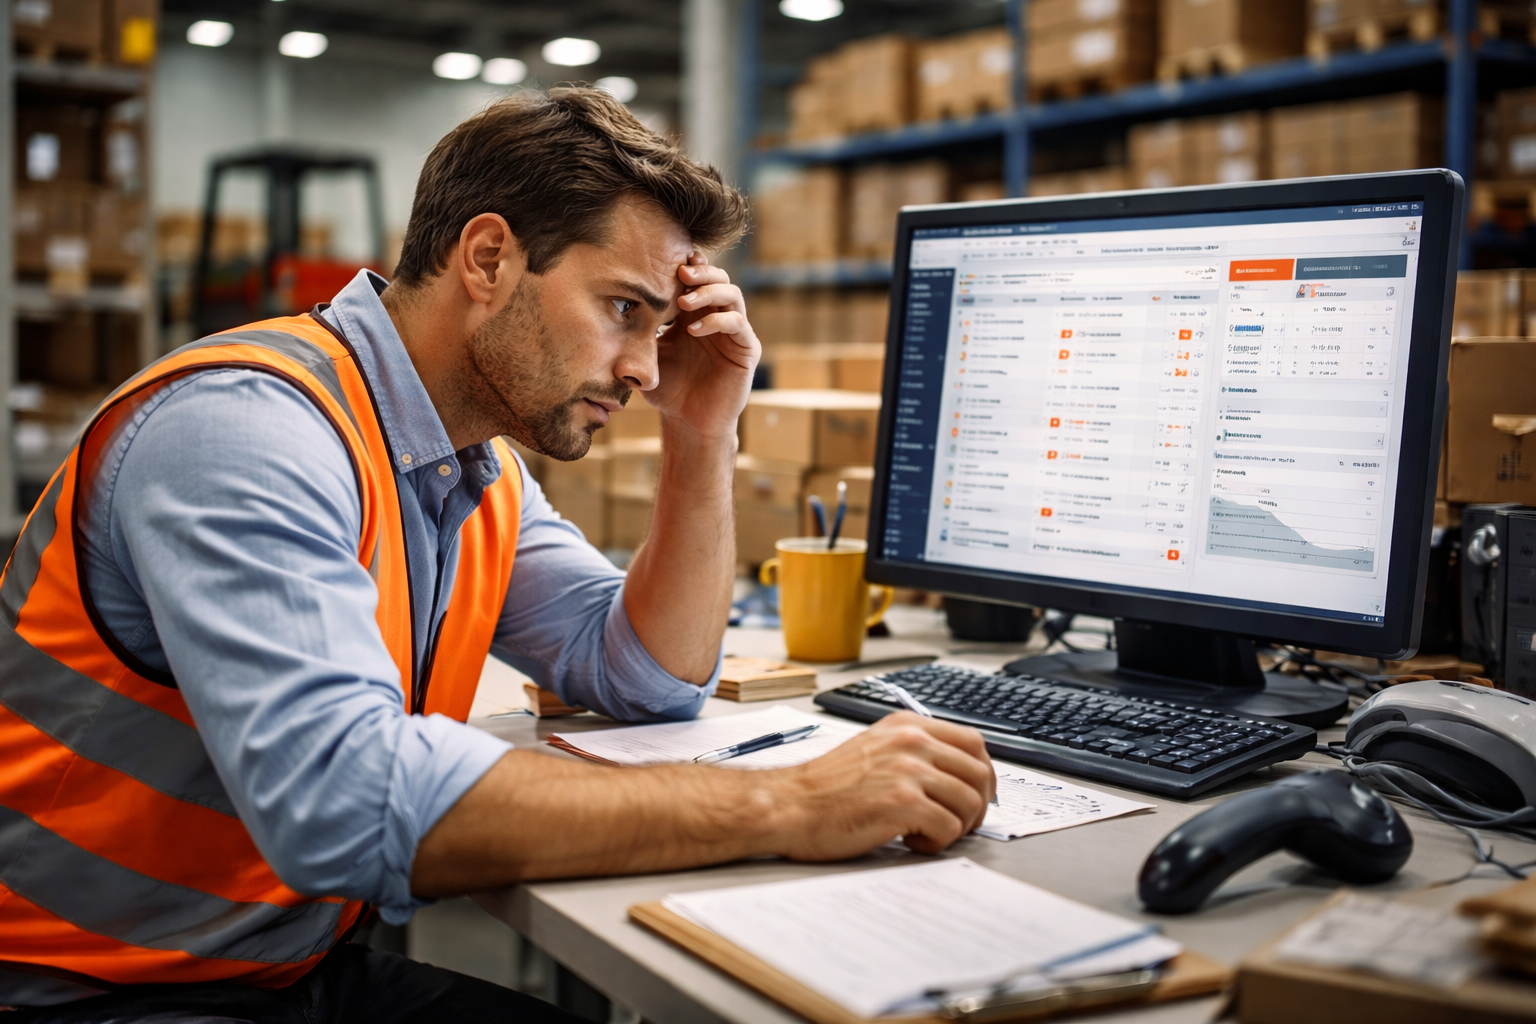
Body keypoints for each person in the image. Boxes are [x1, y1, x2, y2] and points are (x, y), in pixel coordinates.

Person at [0, 88, 995, 1021]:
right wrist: (786, 800)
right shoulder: (248, 428)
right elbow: (341, 800)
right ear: (487, 259)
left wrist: (702, 437)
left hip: (276, 963)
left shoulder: (467, 469)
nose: (647, 369)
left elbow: (646, 674)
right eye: (623, 309)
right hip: (79, 985)